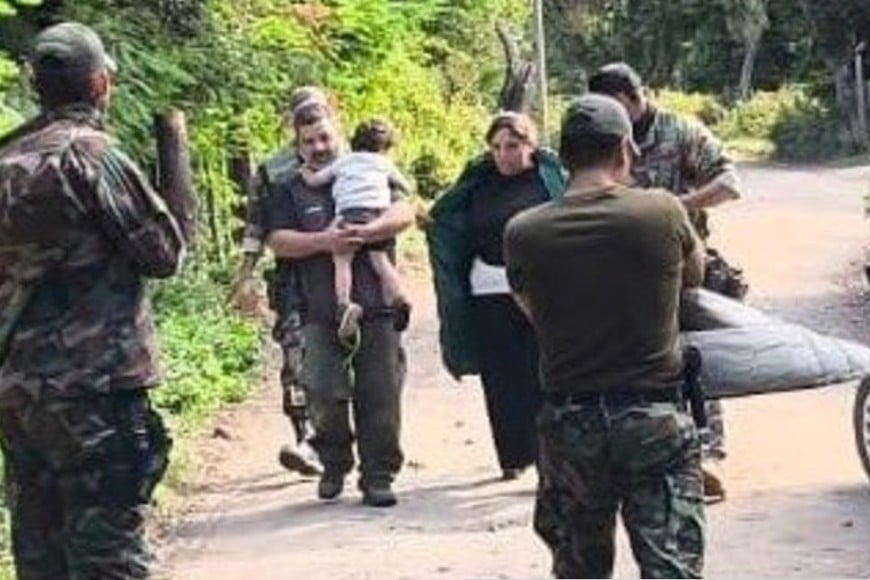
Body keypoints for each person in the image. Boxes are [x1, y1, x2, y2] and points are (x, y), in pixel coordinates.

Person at [0, 22, 189, 578]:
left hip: (18, 397)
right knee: (110, 555)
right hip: (95, 393)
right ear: (101, 84)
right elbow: (163, 254)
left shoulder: (6, 161)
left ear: (37, 87)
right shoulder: (91, 156)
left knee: (42, 556)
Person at [504, 93, 706, 578]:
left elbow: (529, 307)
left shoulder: (523, 231)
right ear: (624, 150)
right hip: (653, 419)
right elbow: (693, 278)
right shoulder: (662, 212)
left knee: (578, 568)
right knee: (672, 569)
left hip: (569, 426)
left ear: (562, 155)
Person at [589, 62, 745, 501]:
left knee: (695, 359)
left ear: (630, 97)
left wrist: (677, 204)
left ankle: (705, 453)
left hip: (679, 266)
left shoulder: (680, 131)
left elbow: (731, 182)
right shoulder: (602, 137)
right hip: (617, 271)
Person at [264, 101, 413, 508]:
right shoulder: (289, 187)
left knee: (380, 391)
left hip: (377, 305)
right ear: (297, 143)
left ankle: (378, 475)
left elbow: (405, 210)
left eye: (325, 137)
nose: (318, 146)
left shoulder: (368, 166)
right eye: (308, 140)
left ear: (340, 133)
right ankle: (334, 462)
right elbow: (277, 240)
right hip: (319, 308)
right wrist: (324, 243)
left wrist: (373, 230)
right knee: (322, 390)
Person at [427, 112, 566, 480]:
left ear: (531, 146)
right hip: (488, 287)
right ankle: (512, 455)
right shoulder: (477, 182)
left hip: (541, 290)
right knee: (500, 376)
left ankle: (547, 454)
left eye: (513, 146)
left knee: (542, 371)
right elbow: (450, 222)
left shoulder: (550, 181)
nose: (504, 154)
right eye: (497, 147)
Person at [227, 87, 332, 477]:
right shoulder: (273, 171)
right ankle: (306, 437)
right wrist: (245, 275)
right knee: (295, 359)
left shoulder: (350, 160)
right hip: (293, 276)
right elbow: (257, 225)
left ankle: (342, 441)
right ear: (291, 121)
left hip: (343, 276)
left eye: (317, 111)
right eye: (304, 113)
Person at [300, 118, 412, 342]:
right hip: (376, 216)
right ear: (385, 147)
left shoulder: (344, 162)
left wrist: (305, 171)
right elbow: (405, 186)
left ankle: (345, 304)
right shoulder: (383, 163)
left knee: (341, 261)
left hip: (349, 216)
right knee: (381, 262)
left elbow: (316, 180)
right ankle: (399, 298)